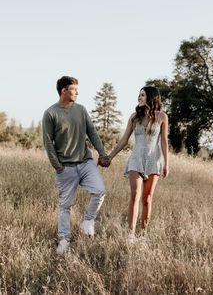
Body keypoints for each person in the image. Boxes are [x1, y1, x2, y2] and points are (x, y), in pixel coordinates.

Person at [42, 76, 110, 255]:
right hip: (66, 168)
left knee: (99, 191)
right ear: (64, 90)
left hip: (86, 162)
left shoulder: (81, 110)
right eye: (74, 89)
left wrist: (102, 154)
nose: (77, 92)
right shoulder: (50, 113)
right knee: (65, 206)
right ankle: (64, 240)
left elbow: (93, 133)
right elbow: (48, 143)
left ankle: (88, 220)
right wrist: (58, 167)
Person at [106, 86, 169, 241]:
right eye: (139, 95)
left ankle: (143, 235)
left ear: (151, 97)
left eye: (142, 95)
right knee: (135, 195)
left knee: (147, 199)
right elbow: (124, 140)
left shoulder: (162, 117)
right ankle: (130, 235)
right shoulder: (134, 117)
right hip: (136, 159)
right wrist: (110, 156)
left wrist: (166, 163)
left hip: (153, 161)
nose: (139, 98)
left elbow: (164, 141)